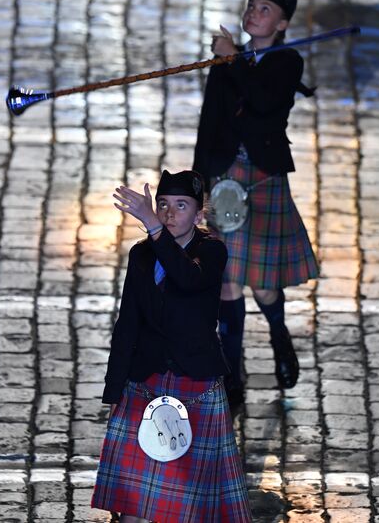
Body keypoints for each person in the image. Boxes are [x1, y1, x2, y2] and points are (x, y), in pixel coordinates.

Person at [91, 170, 252, 522]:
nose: (169, 213)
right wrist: (114, 387)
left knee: (185, 506)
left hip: (194, 381)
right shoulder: (142, 255)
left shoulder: (212, 252)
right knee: (132, 506)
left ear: (198, 216)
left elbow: (187, 278)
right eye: (162, 205)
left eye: (181, 206)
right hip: (145, 381)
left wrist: (152, 225)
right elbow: (128, 322)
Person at [193, 0, 318, 403]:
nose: (253, 13)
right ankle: (232, 375)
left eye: (265, 9)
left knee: (263, 284)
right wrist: (197, 185)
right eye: (252, 5)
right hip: (225, 177)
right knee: (227, 279)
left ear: (281, 23)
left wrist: (233, 63)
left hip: (263, 178)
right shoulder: (231, 59)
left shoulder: (287, 62)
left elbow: (264, 104)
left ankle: (279, 337)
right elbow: (210, 122)